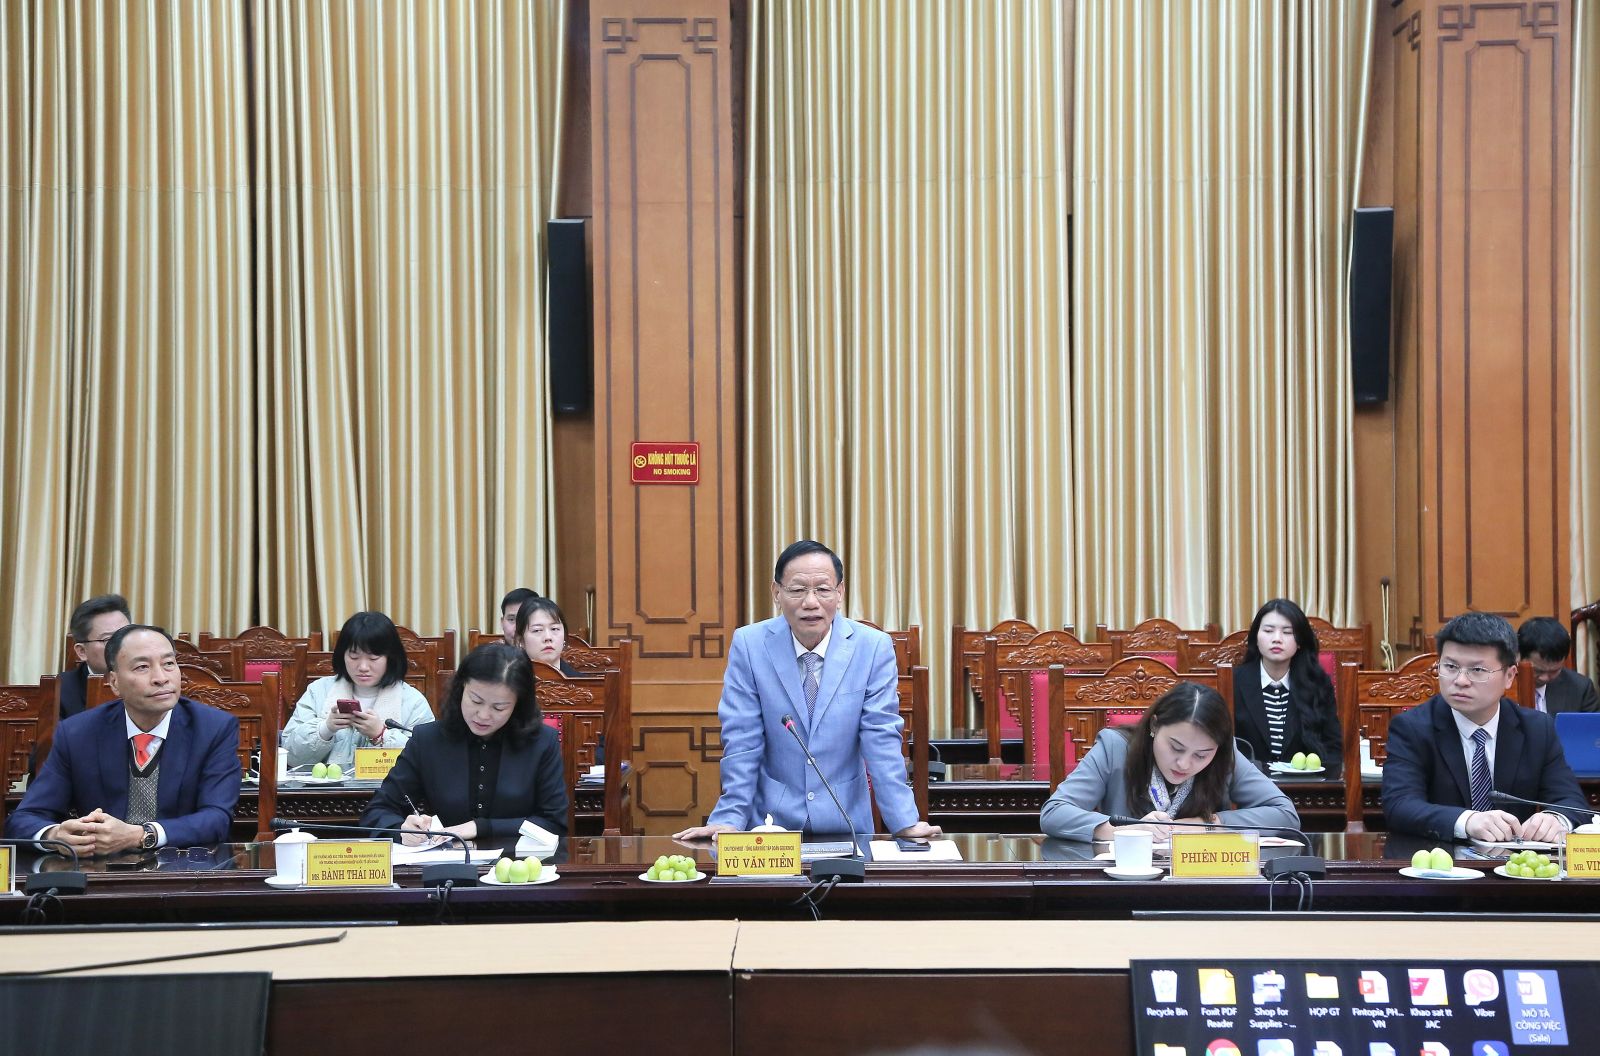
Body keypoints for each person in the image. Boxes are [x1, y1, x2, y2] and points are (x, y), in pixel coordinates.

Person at [672, 540, 941, 841]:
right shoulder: (750, 645)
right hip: (770, 825)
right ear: (777, 593)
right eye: (797, 590)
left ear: (840, 593)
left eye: (823, 589)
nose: (811, 602)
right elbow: (742, 740)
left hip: (846, 822)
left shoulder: (872, 647)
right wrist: (730, 818)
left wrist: (903, 821)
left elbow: (881, 738)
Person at [5, 625, 242, 853]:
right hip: (101, 868)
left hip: (186, 866)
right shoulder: (77, 733)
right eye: (142, 667)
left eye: (169, 664)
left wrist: (140, 835)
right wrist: (54, 836)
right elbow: (25, 818)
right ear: (114, 682)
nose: (161, 678)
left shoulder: (214, 728)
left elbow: (217, 818)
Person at [1382, 612, 1587, 843]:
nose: (1460, 680)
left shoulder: (1537, 729)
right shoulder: (1411, 728)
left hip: (1515, 861)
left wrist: (1556, 819)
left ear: (1509, 676)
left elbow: (1572, 802)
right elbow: (1399, 805)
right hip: (1440, 858)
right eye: (1450, 666)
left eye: (1477, 670)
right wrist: (1467, 821)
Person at [1040, 682, 1298, 842]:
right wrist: (1125, 832)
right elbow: (1054, 813)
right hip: (1125, 884)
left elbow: (1285, 815)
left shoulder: (1225, 754)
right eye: (1176, 747)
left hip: (1204, 883)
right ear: (1154, 725)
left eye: (1201, 755)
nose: (1184, 764)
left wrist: (1207, 825)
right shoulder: (1114, 748)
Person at [361, 643, 567, 843]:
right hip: (447, 862)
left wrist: (481, 827)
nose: (483, 715)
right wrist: (401, 830)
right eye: (475, 701)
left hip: (522, 863)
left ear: (518, 704)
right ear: (460, 689)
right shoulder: (428, 740)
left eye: (499, 707)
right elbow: (377, 811)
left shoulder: (541, 742)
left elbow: (554, 823)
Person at [283, 611, 434, 769]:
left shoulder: (413, 701)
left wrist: (381, 735)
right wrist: (325, 728)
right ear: (342, 655)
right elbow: (290, 756)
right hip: (325, 786)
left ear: (391, 657)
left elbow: (428, 760)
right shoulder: (318, 691)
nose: (363, 667)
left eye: (373, 658)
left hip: (387, 786)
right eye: (354, 657)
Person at [1232, 599, 1342, 769]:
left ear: (1300, 642)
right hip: (1247, 781)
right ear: (1256, 637)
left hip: (1305, 782)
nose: (1277, 639)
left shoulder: (1317, 683)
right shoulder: (1234, 681)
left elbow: (1333, 745)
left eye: (1287, 632)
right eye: (1268, 630)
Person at [58, 593, 132, 719]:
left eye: (126, 635)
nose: (122, 646)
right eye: (108, 639)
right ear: (82, 651)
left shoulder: (153, 680)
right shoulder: (60, 690)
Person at [1517, 616, 1599, 715]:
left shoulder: (1581, 688)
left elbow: (1592, 724)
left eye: (1554, 671)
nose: (1544, 678)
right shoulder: (1502, 684)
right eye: (1538, 671)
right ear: (1518, 656)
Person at [515, 594, 581, 676]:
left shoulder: (582, 682)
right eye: (537, 630)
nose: (548, 637)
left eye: (554, 629)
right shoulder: (508, 681)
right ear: (520, 641)